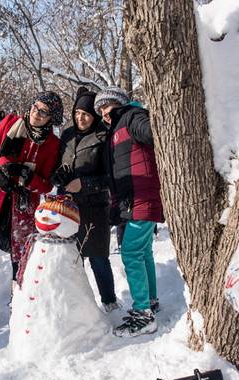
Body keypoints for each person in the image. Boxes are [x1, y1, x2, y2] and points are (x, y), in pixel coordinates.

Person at [0, 92, 63, 325]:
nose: (35, 114)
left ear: (51, 118)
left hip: (23, 203)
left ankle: (16, 302)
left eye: (43, 112)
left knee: (19, 254)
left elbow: (47, 183)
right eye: (34, 107)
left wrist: (29, 179)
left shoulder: (53, 144)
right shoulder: (11, 123)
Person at [95, 86, 164, 337]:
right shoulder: (115, 128)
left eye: (106, 106)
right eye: (100, 109)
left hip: (141, 195)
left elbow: (154, 134)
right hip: (132, 198)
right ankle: (151, 301)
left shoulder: (132, 117)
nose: (103, 112)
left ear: (119, 103)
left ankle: (143, 313)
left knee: (132, 252)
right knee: (143, 252)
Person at [52, 90, 119, 312]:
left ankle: (109, 302)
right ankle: (78, 307)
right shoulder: (67, 135)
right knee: (72, 258)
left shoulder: (104, 136)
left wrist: (85, 183)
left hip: (95, 208)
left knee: (98, 258)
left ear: (95, 116)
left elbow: (110, 177)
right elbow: (58, 164)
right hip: (68, 207)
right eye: (77, 112)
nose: (80, 118)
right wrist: (59, 176)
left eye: (86, 114)